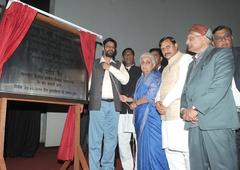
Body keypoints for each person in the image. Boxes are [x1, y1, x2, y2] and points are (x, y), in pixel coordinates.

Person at [181, 24, 240, 170]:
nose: (187, 42)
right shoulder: (191, 64)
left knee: (222, 166)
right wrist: (183, 110)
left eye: (190, 38)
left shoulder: (222, 54)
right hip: (194, 123)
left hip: (216, 122)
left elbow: (219, 86)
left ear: (203, 37)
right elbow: (185, 92)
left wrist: (195, 108)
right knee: (197, 166)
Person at [120, 52, 169, 170]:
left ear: (153, 64)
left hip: (151, 118)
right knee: (143, 149)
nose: (145, 65)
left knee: (153, 149)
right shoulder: (141, 79)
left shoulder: (156, 77)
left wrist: (135, 103)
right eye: (142, 62)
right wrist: (128, 99)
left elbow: (150, 96)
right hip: (140, 116)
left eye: (148, 62)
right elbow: (138, 96)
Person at [88, 37, 129, 170]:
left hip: (113, 106)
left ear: (115, 50)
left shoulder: (118, 64)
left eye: (113, 47)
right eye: (108, 46)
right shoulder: (94, 63)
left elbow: (125, 80)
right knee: (95, 139)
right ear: (103, 48)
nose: (110, 48)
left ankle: (107, 168)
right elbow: (88, 84)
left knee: (111, 140)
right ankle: (94, 168)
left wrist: (110, 68)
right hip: (96, 104)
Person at [155, 36, 192, 170]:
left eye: (168, 46)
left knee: (185, 152)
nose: (165, 50)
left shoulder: (185, 59)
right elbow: (160, 89)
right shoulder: (165, 68)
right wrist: (157, 102)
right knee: (170, 152)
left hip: (179, 115)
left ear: (176, 45)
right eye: (163, 48)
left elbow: (181, 85)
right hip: (165, 117)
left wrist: (163, 103)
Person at [212, 25, 240, 168]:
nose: (223, 40)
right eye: (218, 38)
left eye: (226, 37)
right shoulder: (209, 62)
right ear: (213, 43)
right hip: (224, 116)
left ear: (232, 38)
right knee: (230, 156)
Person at [118, 48, 141, 170]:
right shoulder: (118, 71)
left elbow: (142, 88)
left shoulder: (140, 70)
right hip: (121, 111)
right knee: (122, 142)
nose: (127, 56)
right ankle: (127, 167)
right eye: (125, 54)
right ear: (122, 57)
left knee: (138, 141)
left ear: (133, 56)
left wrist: (132, 99)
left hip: (135, 110)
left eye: (130, 54)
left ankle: (138, 167)